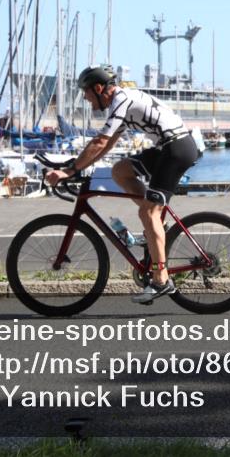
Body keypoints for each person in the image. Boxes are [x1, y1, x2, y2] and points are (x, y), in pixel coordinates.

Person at [45, 65, 200, 304]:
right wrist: (78, 165)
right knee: (121, 171)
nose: (86, 100)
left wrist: (69, 171)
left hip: (176, 150)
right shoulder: (124, 102)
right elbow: (106, 145)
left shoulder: (121, 99)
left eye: (86, 94)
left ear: (98, 88)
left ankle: (161, 280)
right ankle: (156, 225)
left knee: (147, 211)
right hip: (167, 148)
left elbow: (99, 141)